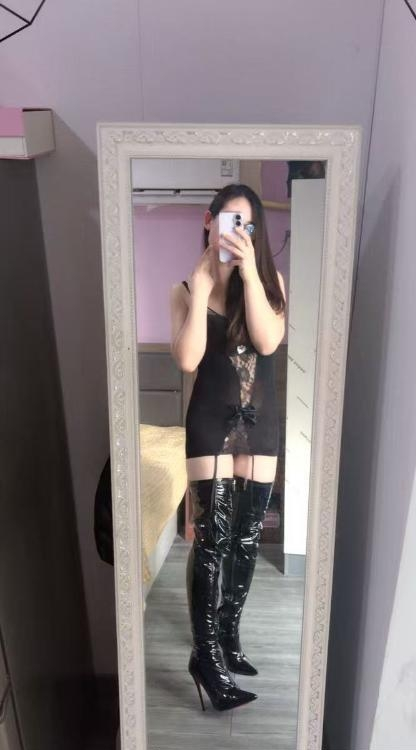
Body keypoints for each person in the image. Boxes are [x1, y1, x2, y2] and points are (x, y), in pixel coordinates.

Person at [170, 183, 286, 712]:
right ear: (209, 220)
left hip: (259, 423)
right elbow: (188, 361)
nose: (238, 233)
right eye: (230, 221)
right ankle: (206, 656)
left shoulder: (269, 282)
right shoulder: (184, 289)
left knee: (246, 538)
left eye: (248, 225)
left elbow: (266, 342)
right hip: (210, 421)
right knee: (212, 539)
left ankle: (228, 635)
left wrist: (250, 275)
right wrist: (200, 288)